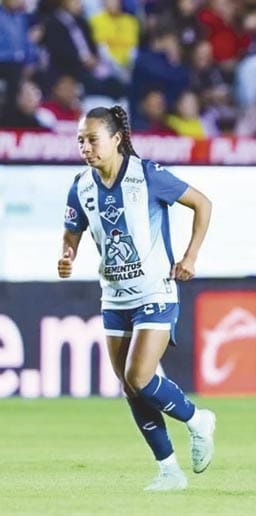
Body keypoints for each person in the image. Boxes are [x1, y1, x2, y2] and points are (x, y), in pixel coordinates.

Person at [58, 105, 215, 491]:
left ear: (115, 139)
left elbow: (203, 204)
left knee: (139, 376)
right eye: (80, 140)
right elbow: (71, 233)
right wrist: (67, 256)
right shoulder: (80, 186)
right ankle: (169, 471)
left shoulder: (147, 175)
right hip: (113, 297)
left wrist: (190, 256)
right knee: (129, 386)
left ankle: (197, 420)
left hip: (155, 290)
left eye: (92, 139)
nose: (85, 147)